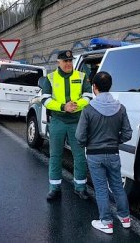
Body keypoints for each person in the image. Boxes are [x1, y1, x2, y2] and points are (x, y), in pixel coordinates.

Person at [75, 71, 133, 234]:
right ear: (110, 87)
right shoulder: (120, 108)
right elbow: (128, 133)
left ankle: (106, 222)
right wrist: (115, 141)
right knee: (117, 186)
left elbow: (80, 136)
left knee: (100, 188)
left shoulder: (88, 109)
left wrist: (87, 144)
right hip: (114, 154)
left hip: (94, 155)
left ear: (94, 87)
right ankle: (125, 218)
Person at [41, 50, 93, 201]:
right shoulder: (50, 78)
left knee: (79, 156)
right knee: (55, 155)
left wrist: (76, 105)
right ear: (59, 62)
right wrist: (64, 107)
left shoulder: (81, 76)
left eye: (70, 61)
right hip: (58, 120)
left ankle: (80, 188)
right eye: (65, 61)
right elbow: (45, 99)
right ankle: (54, 188)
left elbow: (88, 96)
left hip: (76, 121)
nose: (69, 64)